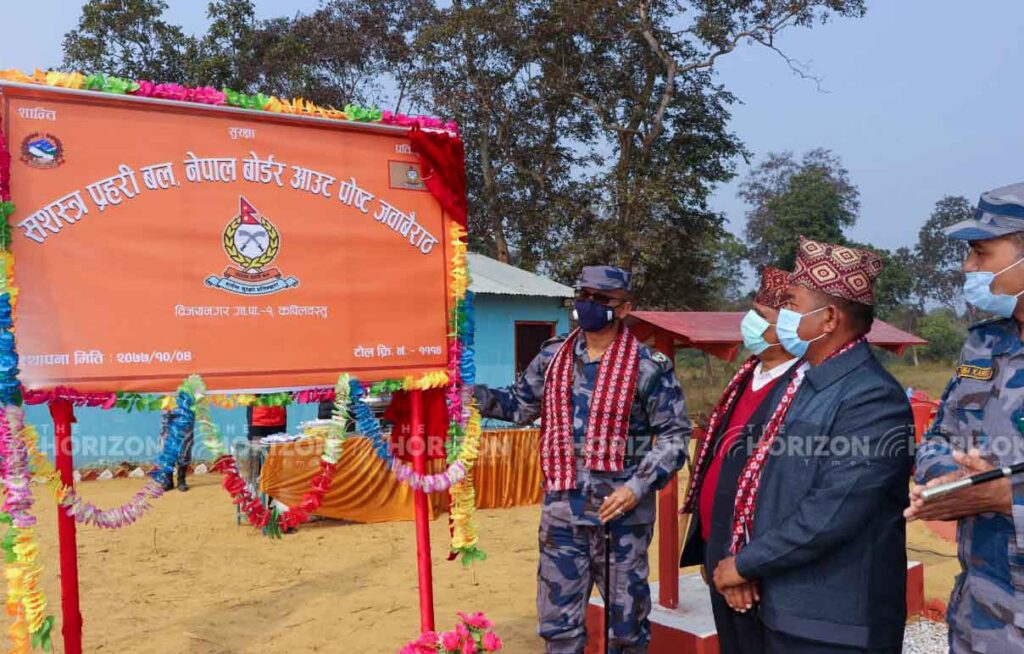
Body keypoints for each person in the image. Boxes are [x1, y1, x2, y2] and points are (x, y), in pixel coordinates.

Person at [712, 237, 913, 654]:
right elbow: (767, 488)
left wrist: (744, 564)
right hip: (787, 609)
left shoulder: (871, 398)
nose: (782, 316)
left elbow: (830, 513)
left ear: (828, 320)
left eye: (791, 303)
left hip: (834, 626)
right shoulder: (806, 383)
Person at [473, 265, 689, 654]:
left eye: (601, 299)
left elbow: (674, 436)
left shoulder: (647, 366)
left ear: (624, 308)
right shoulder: (554, 357)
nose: (588, 305)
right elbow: (521, 405)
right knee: (559, 628)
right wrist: (467, 394)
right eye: (584, 295)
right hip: (562, 515)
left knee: (626, 631)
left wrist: (635, 487)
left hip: (621, 519)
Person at [906, 182, 1024, 654]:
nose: (967, 267)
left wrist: (1006, 501)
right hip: (977, 610)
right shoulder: (984, 343)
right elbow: (938, 434)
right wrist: (951, 479)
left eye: (980, 252)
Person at [678, 266, 797, 654]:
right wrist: (707, 545)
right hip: (718, 543)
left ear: (791, 329)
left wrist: (745, 563)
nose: (751, 323)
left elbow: (783, 489)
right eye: (753, 312)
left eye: (763, 317)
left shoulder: (802, 389)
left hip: (753, 558)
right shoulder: (747, 376)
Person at [159, 410, 194, 492]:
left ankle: (181, 481)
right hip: (168, 406)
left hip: (186, 407)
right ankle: (168, 481)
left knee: (185, 445)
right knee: (167, 444)